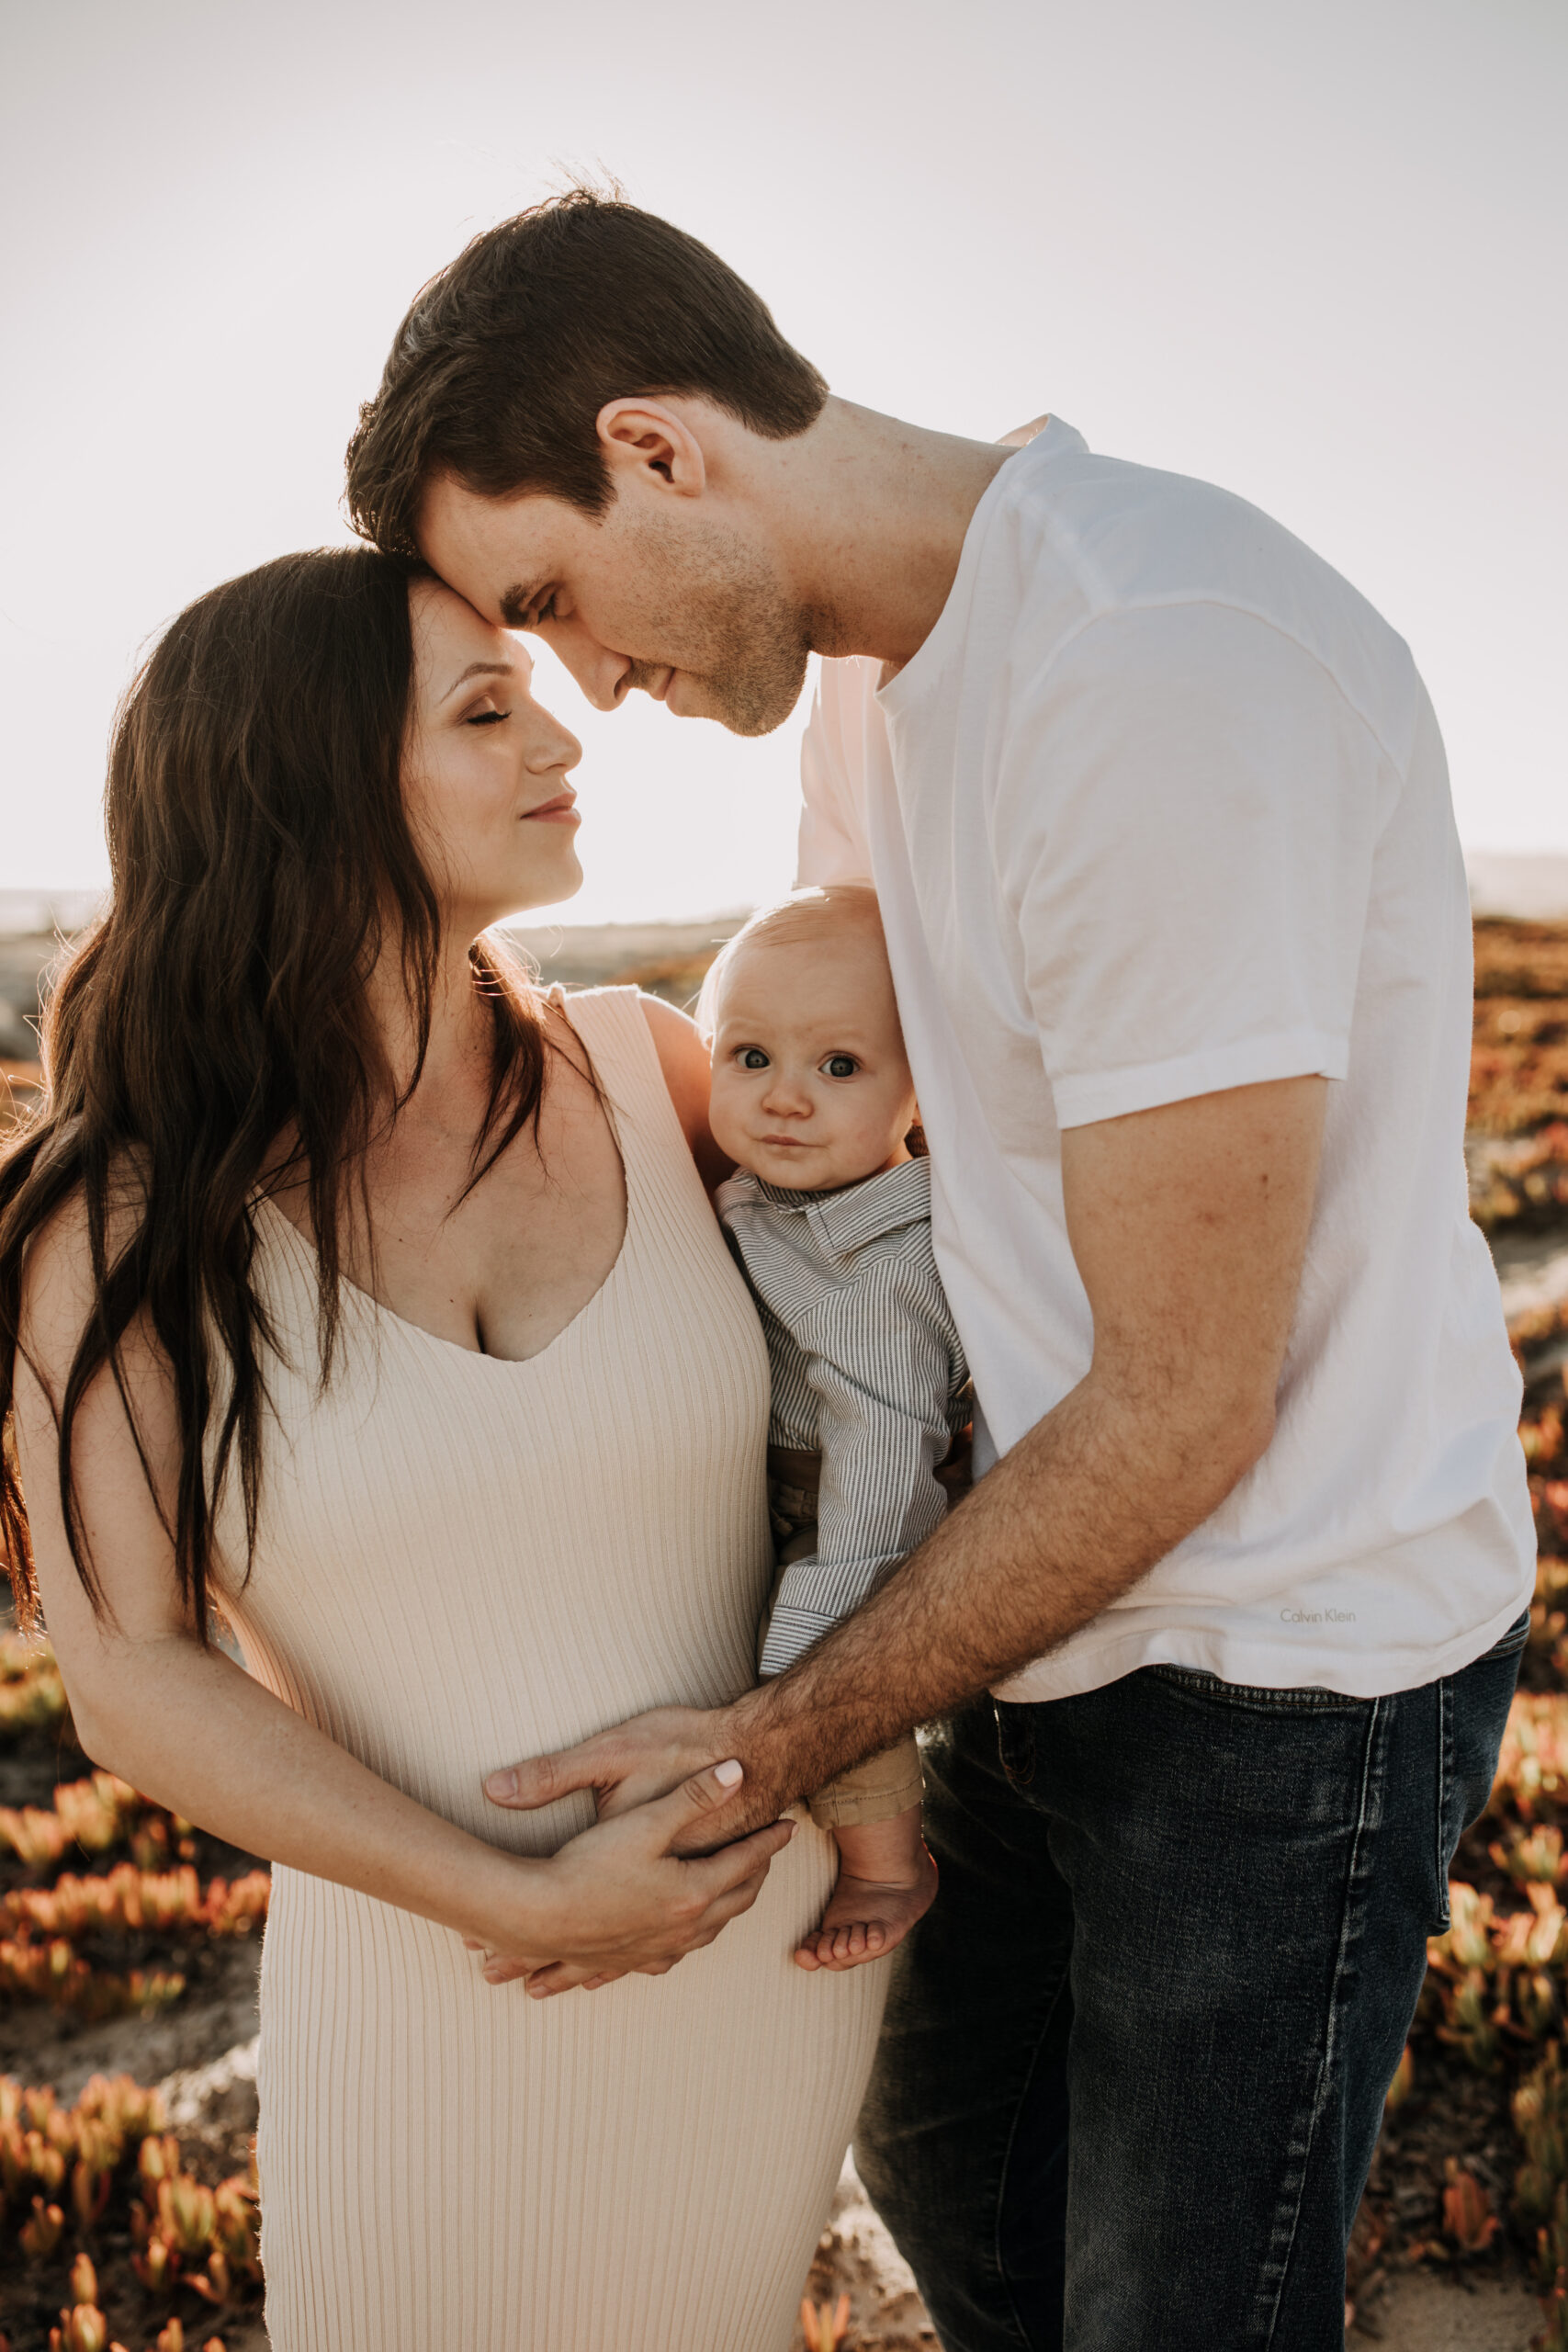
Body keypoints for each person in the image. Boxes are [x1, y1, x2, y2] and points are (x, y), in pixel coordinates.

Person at [343, 193, 1535, 2349]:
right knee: (959, 2191)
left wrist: (774, 1733)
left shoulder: (1156, 661)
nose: (587, 684)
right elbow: (830, 1159)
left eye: (555, 602)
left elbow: (1183, 1397)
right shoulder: (867, 703)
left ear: (660, 447)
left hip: (1277, 1667)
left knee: (1170, 2308)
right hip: (1025, 1596)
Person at [0, 548, 887, 2352]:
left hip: (755, 1952)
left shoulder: (662, 1072)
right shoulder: (109, 1217)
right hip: (424, 1974)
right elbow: (133, 1679)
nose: (561, 721)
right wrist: (525, 1895)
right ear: (308, 789)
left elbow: (915, 1360)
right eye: (485, 706)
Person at [703, 884, 970, 1972]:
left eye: (840, 1066)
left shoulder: (887, 1268)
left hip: (843, 1501)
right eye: (750, 1056)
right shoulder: (770, 1194)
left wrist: (825, 1616)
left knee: (844, 1696)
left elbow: (885, 1452)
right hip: (772, 1470)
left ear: (918, 1093)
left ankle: (885, 1863)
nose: (784, 1099)